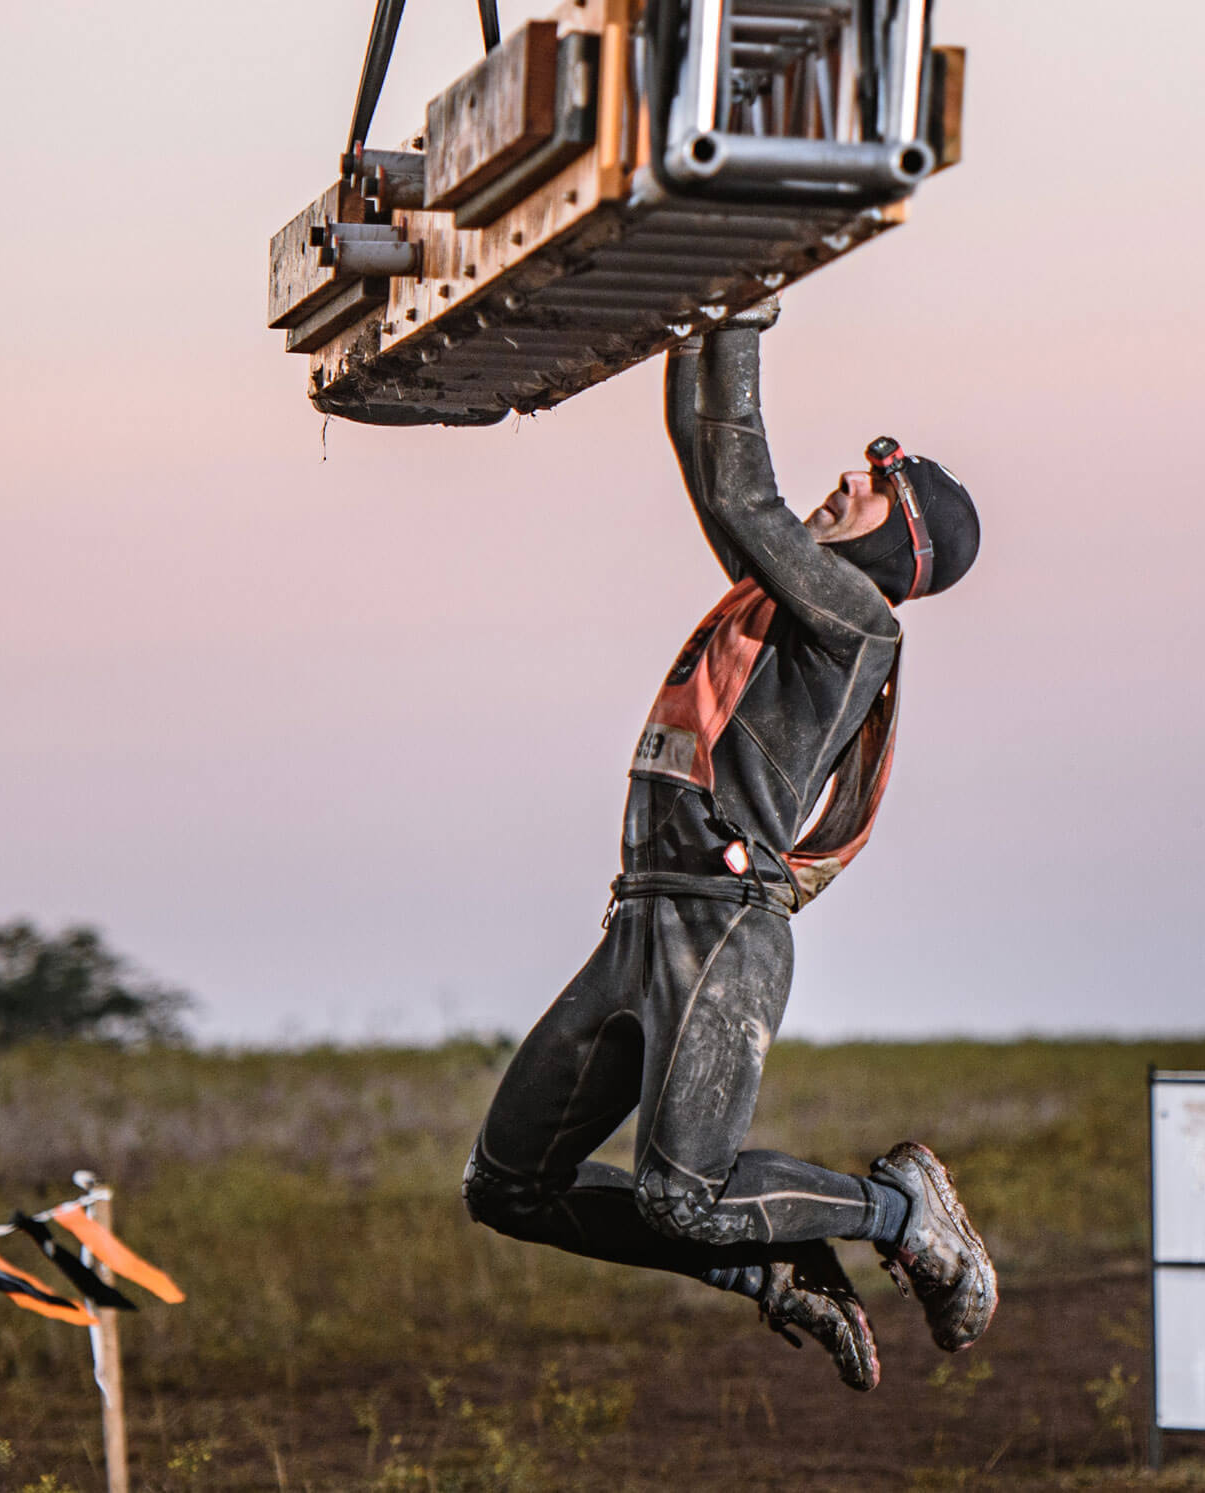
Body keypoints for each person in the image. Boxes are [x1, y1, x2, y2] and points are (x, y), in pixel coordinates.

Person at [459, 304, 995, 1393]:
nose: (843, 485)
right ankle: (773, 1271)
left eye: (870, 486)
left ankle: (898, 1209)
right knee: (507, 1184)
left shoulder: (857, 620)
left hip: (719, 925)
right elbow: (714, 472)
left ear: (901, 540)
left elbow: (745, 492)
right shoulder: (780, 596)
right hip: (642, 919)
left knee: (677, 1192)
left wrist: (738, 305)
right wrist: (678, 317)